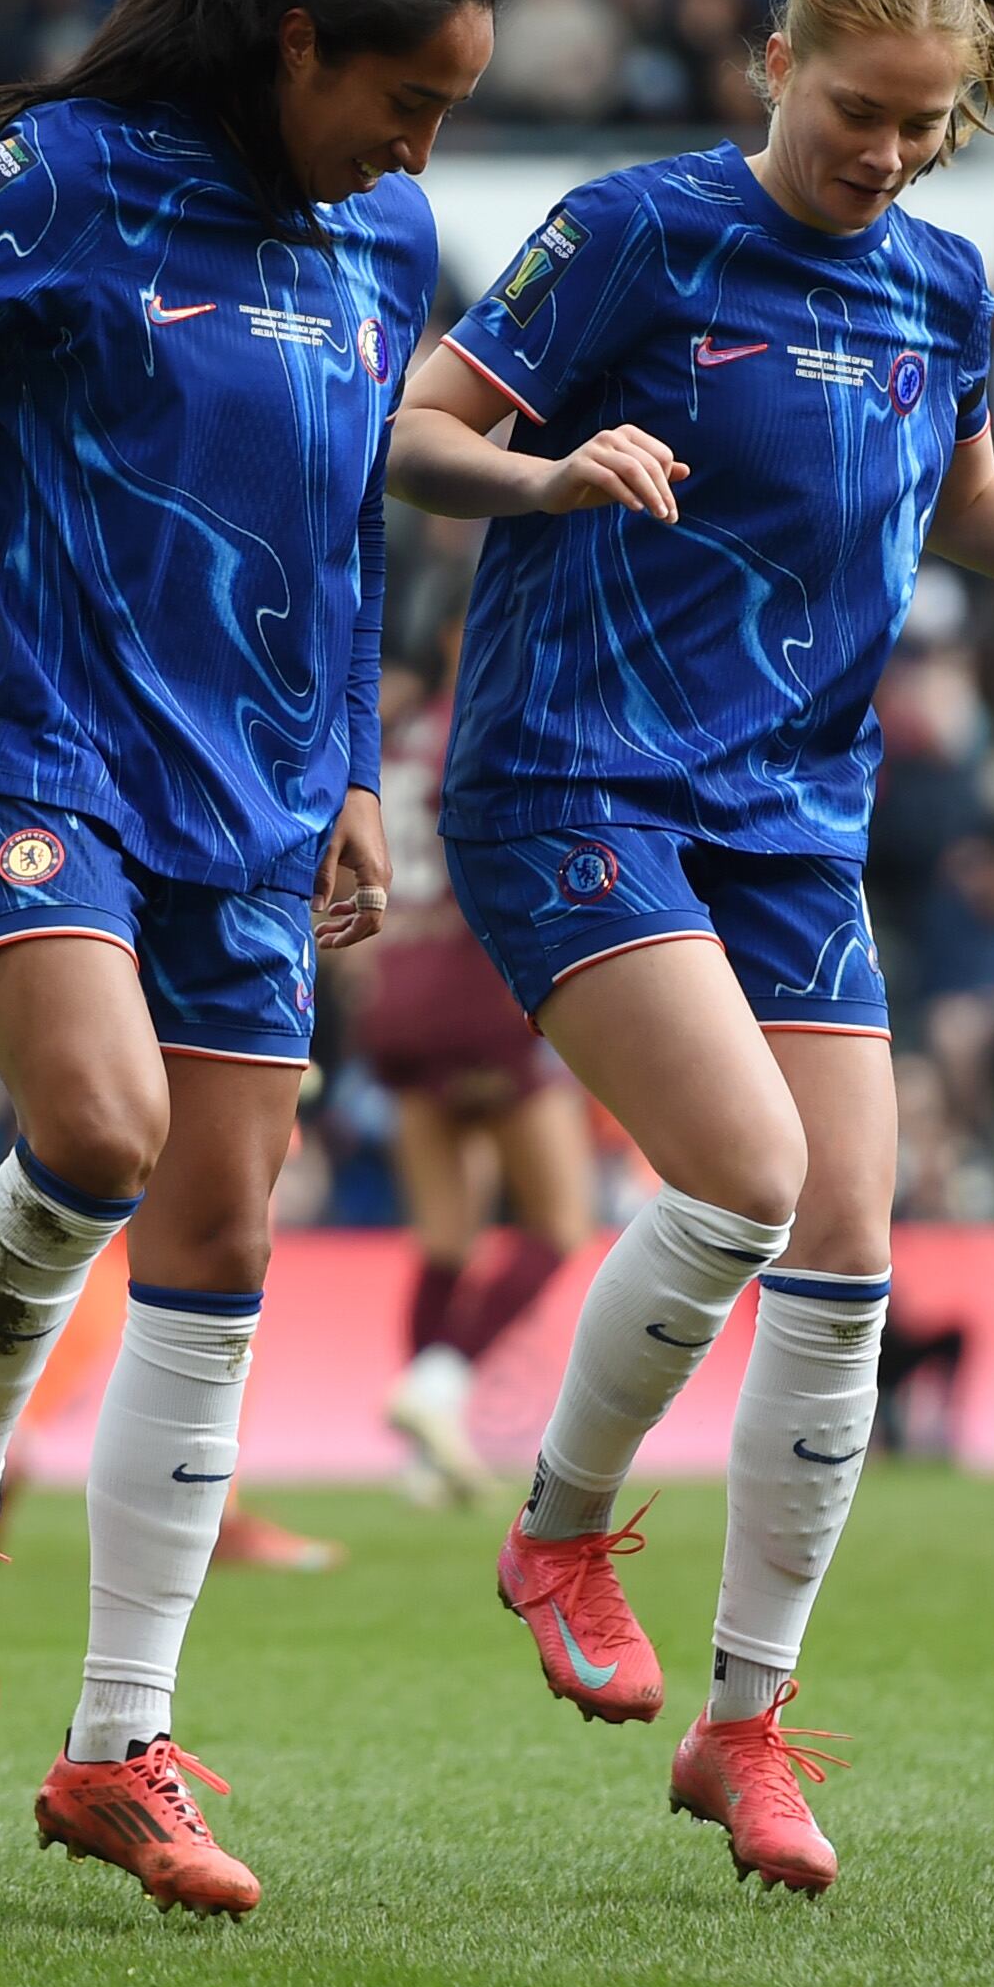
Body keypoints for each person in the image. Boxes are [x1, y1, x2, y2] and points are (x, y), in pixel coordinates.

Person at [385, 0, 994, 1895]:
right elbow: (418, 433)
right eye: (856, 111)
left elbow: (949, 499)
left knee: (849, 1238)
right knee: (739, 1174)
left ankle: (745, 1722)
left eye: (924, 125)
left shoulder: (942, 283)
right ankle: (560, 1521)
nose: (882, 154)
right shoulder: (632, 233)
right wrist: (546, 480)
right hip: (572, 774)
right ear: (770, 63)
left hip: (791, 809)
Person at [0, 0, 508, 1918]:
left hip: (255, 782)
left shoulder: (381, 234)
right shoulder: (58, 181)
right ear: (297, 44)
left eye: (448, 108)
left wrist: (355, 766)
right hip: (23, 729)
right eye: (403, 95)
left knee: (225, 1222)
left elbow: (347, 517)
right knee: (101, 1127)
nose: (418, 144)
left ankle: (118, 1743)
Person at [360, 637, 594, 1507]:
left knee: (446, 1238)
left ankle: (425, 1457)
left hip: (399, 993)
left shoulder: (403, 731)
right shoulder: (499, 720)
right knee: (559, 1221)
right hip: (478, 991)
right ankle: (440, 1383)